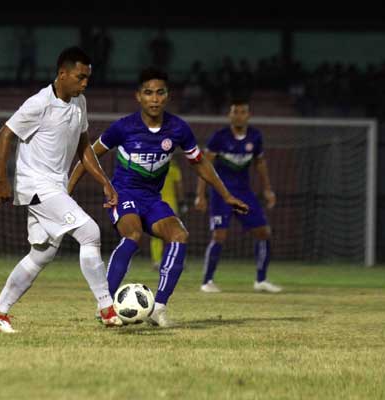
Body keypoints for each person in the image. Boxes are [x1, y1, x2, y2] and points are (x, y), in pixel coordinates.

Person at [68, 67, 249, 327]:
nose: (154, 98)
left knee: (180, 236)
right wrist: (67, 192)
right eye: (148, 93)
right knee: (133, 235)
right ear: (138, 97)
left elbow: (199, 163)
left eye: (159, 93)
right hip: (124, 195)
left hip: (153, 199)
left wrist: (226, 194)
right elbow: (88, 156)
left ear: (167, 96)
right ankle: (105, 305)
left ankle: (158, 308)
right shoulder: (123, 127)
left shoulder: (178, 129)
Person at [0, 46, 123, 333]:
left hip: (54, 186)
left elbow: (85, 148)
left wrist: (105, 182)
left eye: (87, 78)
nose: (85, 83)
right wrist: (1, 179)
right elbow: (4, 134)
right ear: (62, 73)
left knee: (43, 253)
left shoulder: (79, 102)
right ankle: (106, 307)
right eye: (80, 77)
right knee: (90, 232)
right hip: (36, 186)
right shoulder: (39, 103)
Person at [194, 98, 282, 294]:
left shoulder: (255, 137)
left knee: (263, 232)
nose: (239, 115)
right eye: (235, 112)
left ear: (248, 115)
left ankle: (261, 280)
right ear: (230, 115)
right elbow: (204, 165)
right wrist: (200, 194)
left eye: (243, 112)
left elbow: (260, 163)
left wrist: (268, 189)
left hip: (244, 194)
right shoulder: (219, 137)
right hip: (221, 194)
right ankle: (207, 281)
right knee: (219, 235)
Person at [150, 156, 185, 270]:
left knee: (156, 234)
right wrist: (182, 203)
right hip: (170, 205)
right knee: (175, 233)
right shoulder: (173, 169)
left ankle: (157, 261)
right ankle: (174, 260)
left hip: (154, 204)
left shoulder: (151, 168)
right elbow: (179, 187)